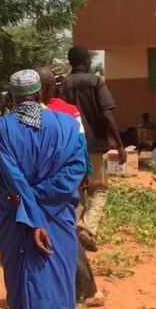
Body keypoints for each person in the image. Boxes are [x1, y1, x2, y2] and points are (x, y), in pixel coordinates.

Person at [0, 69, 88, 309]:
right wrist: (44, 201)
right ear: (41, 93)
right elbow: (77, 168)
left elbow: (11, 176)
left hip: (19, 217)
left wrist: (32, 212)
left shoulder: (3, 127)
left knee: (24, 290)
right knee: (61, 288)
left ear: (14, 96)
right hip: (58, 218)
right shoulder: (66, 124)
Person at [36, 67, 102, 306]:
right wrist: (83, 176)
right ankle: (83, 288)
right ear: (52, 87)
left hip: (40, 186)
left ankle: (76, 288)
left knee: (54, 232)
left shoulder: (25, 115)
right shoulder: (69, 111)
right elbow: (80, 146)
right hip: (64, 183)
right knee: (65, 230)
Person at [60, 46, 125, 246]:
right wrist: (119, 144)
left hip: (69, 146)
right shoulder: (95, 81)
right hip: (93, 144)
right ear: (87, 61)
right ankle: (87, 229)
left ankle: (72, 232)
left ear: (70, 62)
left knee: (77, 189)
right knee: (99, 188)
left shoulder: (63, 85)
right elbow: (107, 113)